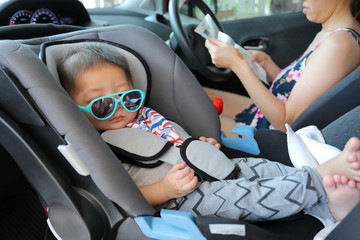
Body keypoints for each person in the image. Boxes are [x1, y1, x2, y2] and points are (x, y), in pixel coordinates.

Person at [57, 42, 360, 225]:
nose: (120, 108)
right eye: (102, 104)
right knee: (248, 196)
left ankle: (329, 202)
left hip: (214, 165)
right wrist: (164, 189)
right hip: (184, 196)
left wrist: (203, 146)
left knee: (265, 169)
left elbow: (178, 143)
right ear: (76, 110)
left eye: (129, 97)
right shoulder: (98, 146)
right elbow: (120, 194)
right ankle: (319, 179)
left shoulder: (146, 117)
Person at [205, 0, 360, 133]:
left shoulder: (340, 43)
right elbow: (300, 93)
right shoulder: (330, 34)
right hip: (260, 115)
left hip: (265, 137)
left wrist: (238, 65)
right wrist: (269, 66)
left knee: (184, 109)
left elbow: (287, 123)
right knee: (195, 92)